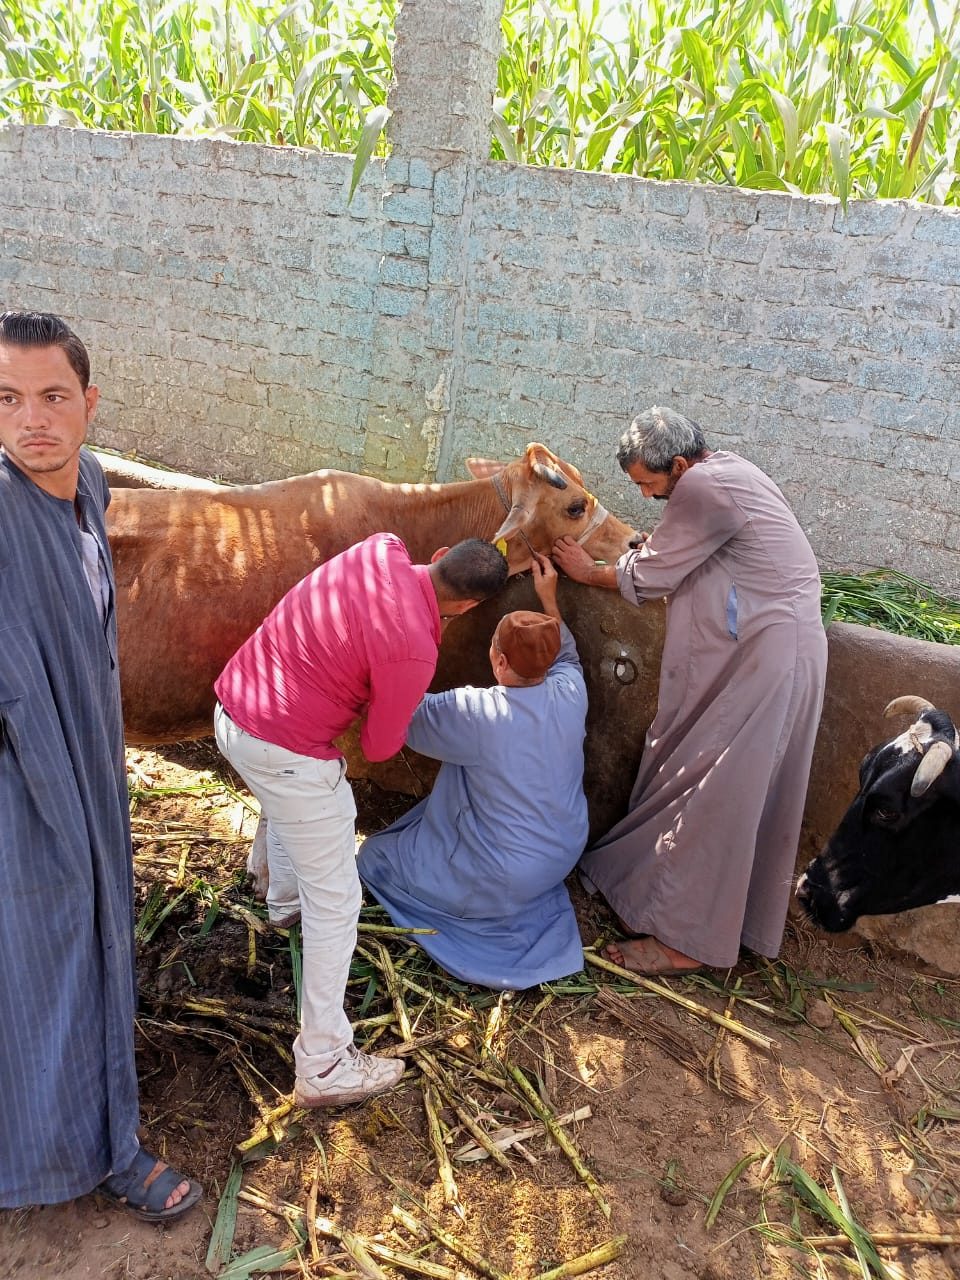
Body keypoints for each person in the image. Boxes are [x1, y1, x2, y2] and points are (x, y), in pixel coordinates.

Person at [0, 312, 201, 1221]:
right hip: (26, 780)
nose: (30, 419)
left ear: (90, 403)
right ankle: (85, 1153)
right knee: (51, 952)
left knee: (85, 940)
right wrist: (55, 809)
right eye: (6, 400)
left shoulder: (87, 481)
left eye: (51, 397)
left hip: (85, 755)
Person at [213, 531, 508, 1107]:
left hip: (233, 709)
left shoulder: (381, 549)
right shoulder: (417, 649)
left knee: (292, 810)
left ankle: (282, 901)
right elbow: (378, 746)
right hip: (285, 749)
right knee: (340, 901)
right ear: (471, 607)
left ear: (440, 555)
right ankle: (322, 1064)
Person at [553, 406, 827, 977]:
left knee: (721, 792)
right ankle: (685, 912)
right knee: (722, 783)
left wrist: (583, 573)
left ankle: (687, 943)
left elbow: (649, 575)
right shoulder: (728, 470)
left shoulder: (701, 486)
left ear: (677, 465)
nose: (649, 497)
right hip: (779, 645)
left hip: (768, 655)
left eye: (648, 485)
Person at [358, 551, 589, 990]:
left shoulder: (476, 713)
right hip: (562, 854)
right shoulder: (570, 690)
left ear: (497, 660)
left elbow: (402, 717)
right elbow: (568, 654)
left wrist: (416, 632)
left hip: (504, 874)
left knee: (373, 858)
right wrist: (548, 597)